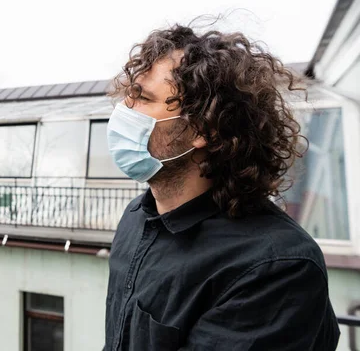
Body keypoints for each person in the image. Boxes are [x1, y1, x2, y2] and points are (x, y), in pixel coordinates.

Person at [103, 24, 340, 350]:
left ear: (204, 128)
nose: (123, 111)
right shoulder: (136, 219)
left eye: (143, 98)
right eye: (129, 94)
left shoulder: (275, 269)